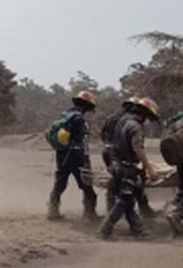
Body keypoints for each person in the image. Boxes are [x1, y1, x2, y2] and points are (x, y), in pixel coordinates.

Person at [98, 97, 159, 239]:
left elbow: (112, 142)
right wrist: (149, 168)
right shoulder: (136, 127)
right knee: (124, 200)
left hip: (117, 164)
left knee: (127, 199)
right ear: (145, 115)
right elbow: (138, 148)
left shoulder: (123, 122)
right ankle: (104, 230)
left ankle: (139, 230)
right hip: (127, 167)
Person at [46, 91, 100, 221]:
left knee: (60, 182)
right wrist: (86, 160)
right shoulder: (79, 119)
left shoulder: (64, 115)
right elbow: (83, 141)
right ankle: (90, 213)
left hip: (62, 154)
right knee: (87, 184)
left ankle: (52, 211)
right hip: (76, 155)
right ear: (87, 106)